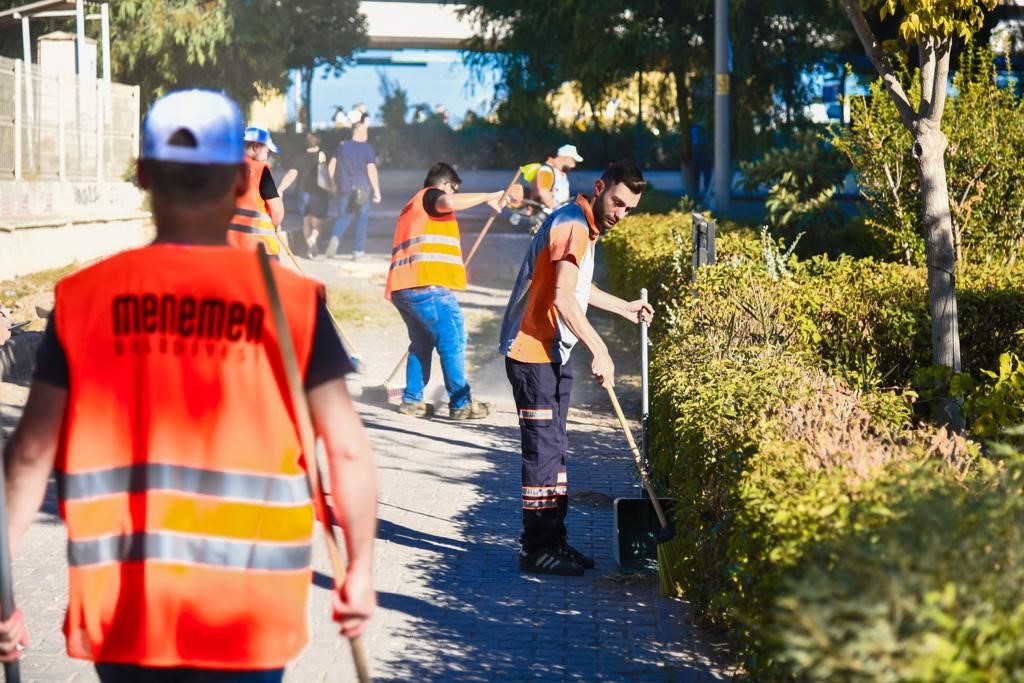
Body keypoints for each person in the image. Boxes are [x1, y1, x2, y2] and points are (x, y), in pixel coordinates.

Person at [0, 89, 378, 680]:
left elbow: (27, 458)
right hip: (248, 618)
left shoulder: (84, 300)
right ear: (238, 179)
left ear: (144, 176)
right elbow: (349, 449)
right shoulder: (293, 304)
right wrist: (359, 572)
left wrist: (2, 589)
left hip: (127, 617)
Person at [498, 160, 653, 576]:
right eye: (617, 202)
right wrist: (600, 349)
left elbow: (579, 289)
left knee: (556, 449)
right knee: (543, 451)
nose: (621, 214)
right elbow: (563, 299)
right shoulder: (574, 225)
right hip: (532, 352)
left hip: (552, 353)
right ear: (600, 187)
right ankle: (535, 548)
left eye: (629, 209)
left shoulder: (584, 225)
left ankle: (554, 540)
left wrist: (624, 307)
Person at [385, 162, 523, 420]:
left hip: (405, 288)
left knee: (421, 344)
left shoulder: (412, 207)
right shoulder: (430, 196)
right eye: (454, 190)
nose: (455, 195)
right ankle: (461, 404)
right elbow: (448, 203)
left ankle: (412, 400)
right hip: (428, 288)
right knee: (453, 342)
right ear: (445, 186)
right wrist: (487, 196)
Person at [226, 126, 285, 257]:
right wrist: (276, 222)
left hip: (228, 248)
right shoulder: (259, 170)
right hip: (259, 250)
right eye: (267, 152)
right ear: (255, 147)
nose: (267, 157)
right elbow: (277, 212)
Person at [326, 121, 381, 260]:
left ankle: (335, 238)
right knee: (361, 219)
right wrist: (377, 190)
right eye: (366, 131)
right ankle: (358, 251)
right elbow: (371, 170)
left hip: (344, 188)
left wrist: (333, 184)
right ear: (360, 132)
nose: (367, 133)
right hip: (362, 188)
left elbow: (331, 167)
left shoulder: (342, 147)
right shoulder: (367, 148)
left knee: (343, 217)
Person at [279, 133, 331, 258]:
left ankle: (309, 248)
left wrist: (280, 189)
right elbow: (329, 174)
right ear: (319, 142)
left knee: (306, 222)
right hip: (319, 193)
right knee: (317, 224)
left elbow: (291, 174)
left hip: (302, 193)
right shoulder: (322, 156)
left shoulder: (299, 157)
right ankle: (313, 240)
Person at [530, 144, 583, 210]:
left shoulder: (559, 172)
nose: (573, 165)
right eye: (573, 161)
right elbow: (543, 191)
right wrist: (556, 210)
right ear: (565, 158)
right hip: (550, 215)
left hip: (559, 214)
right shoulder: (547, 170)